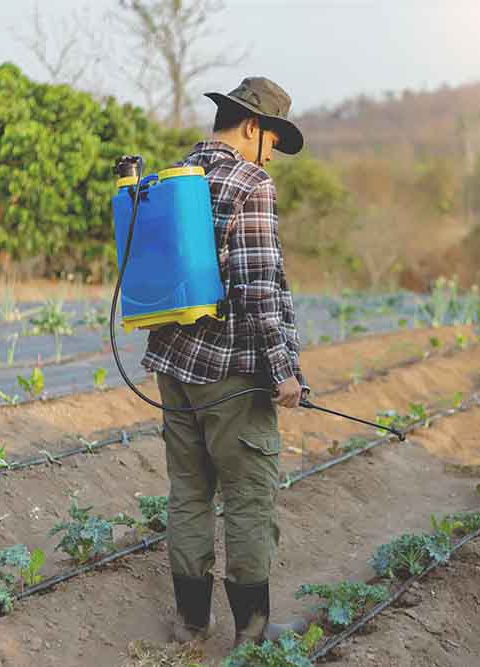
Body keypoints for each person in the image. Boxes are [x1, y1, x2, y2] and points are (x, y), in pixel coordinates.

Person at [140, 77, 308, 648]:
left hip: (172, 365)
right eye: (272, 142)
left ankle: (191, 625)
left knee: (188, 491)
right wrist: (283, 371)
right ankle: (252, 634)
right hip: (233, 374)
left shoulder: (175, 175)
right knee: (248, 497)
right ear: (254, 128)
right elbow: (259, 287)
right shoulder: (250, 183)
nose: (271, 157)